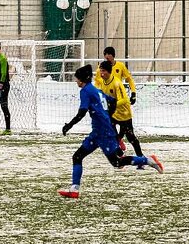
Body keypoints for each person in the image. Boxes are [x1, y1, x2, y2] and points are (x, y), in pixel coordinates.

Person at [59, 65, 162, 199]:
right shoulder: (97, 90)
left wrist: (69, 125)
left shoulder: (85, 91)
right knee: (77, 156)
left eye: (77, 79)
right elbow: (112, 101)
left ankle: (147, 160)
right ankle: (74, 190)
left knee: (117, 163)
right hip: (98, 132)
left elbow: (82, 111)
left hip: (103, 133)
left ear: (82, 80)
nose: (76, 81)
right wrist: (108, 116)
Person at [95, 59, 147, 161]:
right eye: (100, 71)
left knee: (131, 138)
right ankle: (120, 156)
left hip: (124, 114)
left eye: (103, 71)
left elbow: (124, 100)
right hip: (113, 114)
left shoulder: (117, 83)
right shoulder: (102, 83)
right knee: (109, 133)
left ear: (109, 71)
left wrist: (112, 105)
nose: (101, 73)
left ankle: (141, 158)